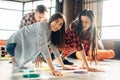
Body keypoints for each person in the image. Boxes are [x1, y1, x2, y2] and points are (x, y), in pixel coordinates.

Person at [6, 12, 75, 76]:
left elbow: (55, 50)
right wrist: (53, 69)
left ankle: (16, 58)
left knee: (36, 50)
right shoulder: (42, 26)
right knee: (38, 48)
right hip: (12, 45)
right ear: (51, 20)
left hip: (18, 47)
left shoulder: (51, 33)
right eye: (56, 21)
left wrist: (63, 66)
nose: (57, 26)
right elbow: (43, 47)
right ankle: (15, 57)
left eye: (60, 24)